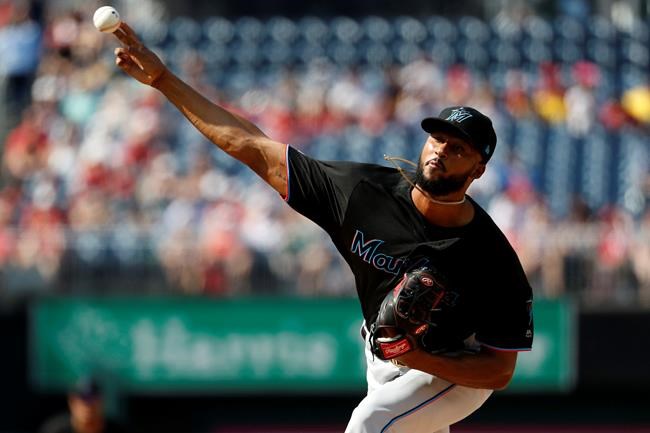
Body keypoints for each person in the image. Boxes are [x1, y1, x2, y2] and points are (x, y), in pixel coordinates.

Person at [111, 22, 534, 433]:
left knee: (370, 424)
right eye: (436, 138)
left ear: (478, 168)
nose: (440, 151)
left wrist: (419, 357)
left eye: (456, 147)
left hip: (455, 372)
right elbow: (253, 147)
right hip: (382, 359)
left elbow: (498, 370)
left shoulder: (491, 258)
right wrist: (164, 79)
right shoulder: (361, 193)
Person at [39, 378, 128, 433]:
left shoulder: (119, 430)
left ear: (102, 402)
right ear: (72, 402)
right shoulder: (55, 430)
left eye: (93, 399)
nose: (88, 405)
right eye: (83, 399)